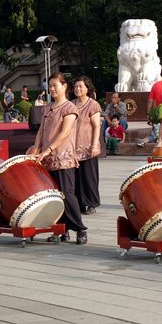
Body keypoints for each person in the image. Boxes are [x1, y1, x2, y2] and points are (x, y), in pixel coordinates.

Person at [26, 72, 87, 244]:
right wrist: (37, 148)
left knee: (67, 194)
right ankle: (61, 229)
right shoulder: (47, 108)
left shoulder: (69, 108)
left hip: (63, 157)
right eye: (50, 86)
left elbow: (65, 132)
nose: (52, 89)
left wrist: (49, 149)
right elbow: (41, 131)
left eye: (55, 85)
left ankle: (80, 229)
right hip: (46, 158)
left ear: (64, 87)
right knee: (53, 195)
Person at [72, 76, 102, 215]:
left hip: (88, 145)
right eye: (76, 87)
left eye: (81, 87)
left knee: (89, 176)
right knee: (76, 177)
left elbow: (96, 127)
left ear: (87, 89)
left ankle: (91, 203)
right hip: (73, 146)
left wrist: (95, 145)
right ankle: (79, 203)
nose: (78, 89)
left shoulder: (93, 104)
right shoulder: (71, 105)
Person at [138, 67, 162, 148]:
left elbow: (150, 101)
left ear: (161, 75)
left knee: (156, 132)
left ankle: (145, 142)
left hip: (158, 113)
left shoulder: (155, 85)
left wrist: (148, 113)